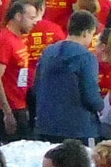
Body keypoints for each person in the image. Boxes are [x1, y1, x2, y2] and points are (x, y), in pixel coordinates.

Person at [34, 11, 106, 142]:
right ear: (86, 32)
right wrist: (101, 107)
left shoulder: (48, 52)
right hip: (78, 128)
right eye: (92, 34)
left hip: (46, 125)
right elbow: (90, 96)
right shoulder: (86, 57)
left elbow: (37, 85)